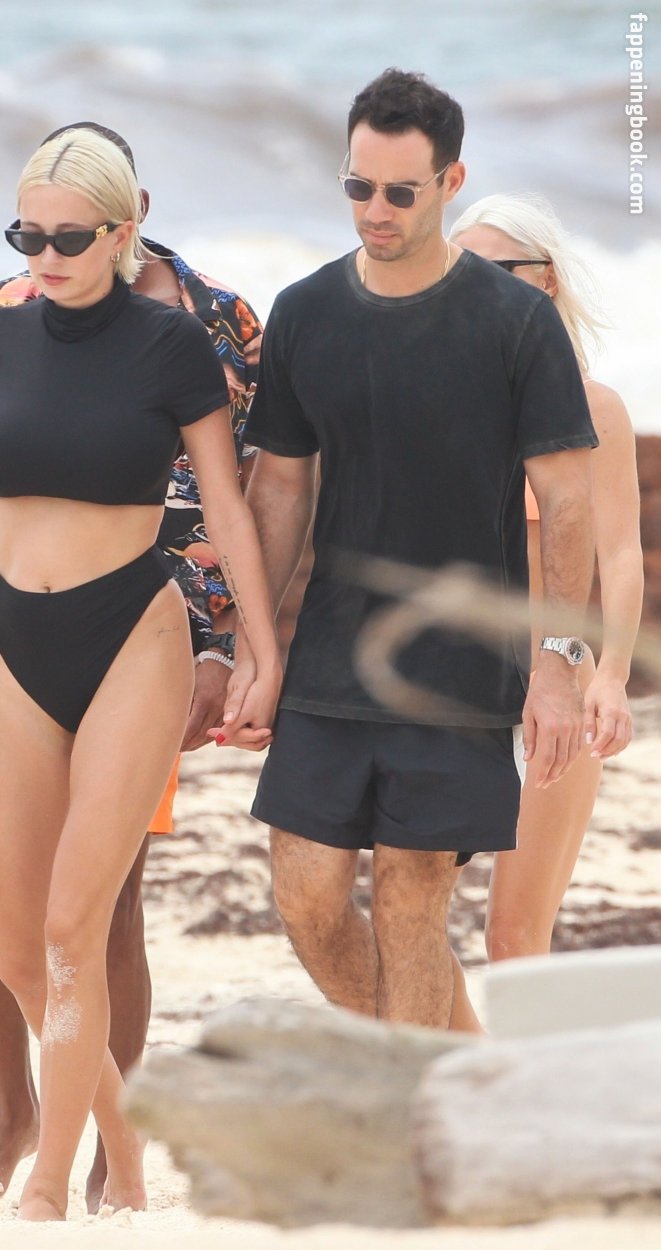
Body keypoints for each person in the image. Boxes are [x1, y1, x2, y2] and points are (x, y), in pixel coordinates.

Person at [0, 127, 281, 1221]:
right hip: (13, 644)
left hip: (133, 642)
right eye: (28, 236)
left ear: (121, 230)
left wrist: (257, 651)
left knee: (76, 929)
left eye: (68, 237)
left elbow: (231, 509)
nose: (45, 256)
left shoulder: (177, 342)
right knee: (21, 953)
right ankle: (126, 1149)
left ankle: (49, 1190)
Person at [218, 67, 598, 1031]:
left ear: (449, 181)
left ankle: (412, 1106)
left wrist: (556, 664)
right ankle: (455, 1069)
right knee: (304, 898)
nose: (374, 210)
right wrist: (252, 647)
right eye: (357, 186)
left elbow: (565, 500)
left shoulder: (514, 322)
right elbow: (281, 489)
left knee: (409, 908)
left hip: (459, 672)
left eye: (399, 191)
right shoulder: (306, 310)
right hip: (330, 657)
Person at [450, 193, 643, 960]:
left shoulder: (594, 407)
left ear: (547, 278)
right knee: (410, 912)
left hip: (555, 680)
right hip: (447, 681)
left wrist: (612, 676)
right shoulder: (434, 406)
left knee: (514, 936)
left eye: (502, 269)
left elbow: (619, 554)